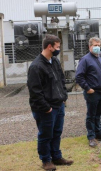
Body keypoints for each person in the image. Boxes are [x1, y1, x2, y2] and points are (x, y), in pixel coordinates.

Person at [28, 34, 73, 171]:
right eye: (57, 47)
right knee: (45, 134)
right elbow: (35, 91)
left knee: (57, 132)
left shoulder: (55, 61)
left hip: (59, 105)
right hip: (46, 109)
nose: (59, 49)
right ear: (49, 47)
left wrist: (64, 96)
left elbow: (61, 80)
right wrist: (46, 108)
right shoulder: (36, 66)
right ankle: (46, 160)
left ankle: (56, 157)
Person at [76, 37, 101, 147]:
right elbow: (79, 76)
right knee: (91, 115)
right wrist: (87, 88)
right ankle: (91, 136)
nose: (97, 47)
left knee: (98, 114)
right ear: (90, 46)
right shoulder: (85, 59)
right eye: (95, 45)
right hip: (92, 92)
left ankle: (98, 133)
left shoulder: (99, 57)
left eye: (99, 45)